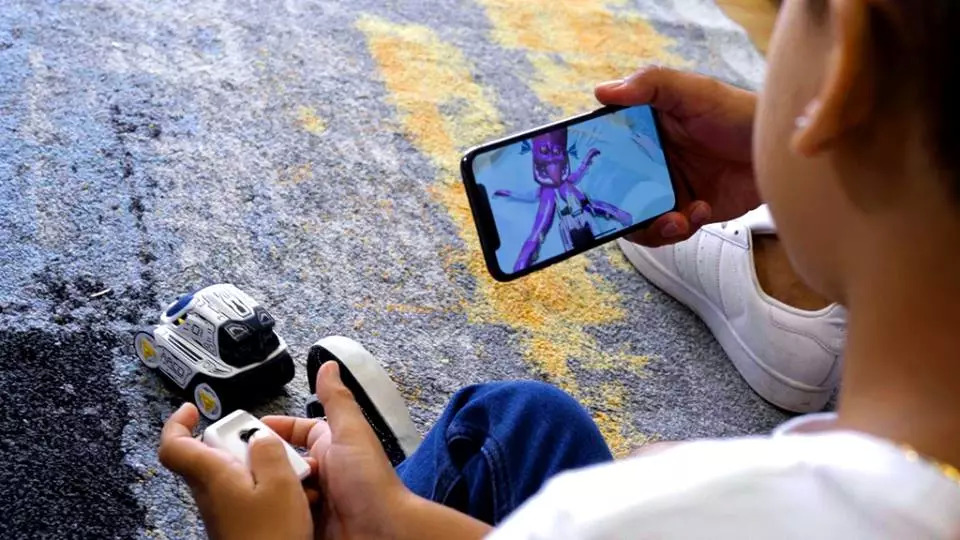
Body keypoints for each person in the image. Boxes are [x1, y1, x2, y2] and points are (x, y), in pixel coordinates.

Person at [158, 0, 960, 537]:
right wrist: (794, 145)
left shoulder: (632, 515)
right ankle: (394, 497)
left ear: (843, 61)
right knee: (520, 419)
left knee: (496, 431)